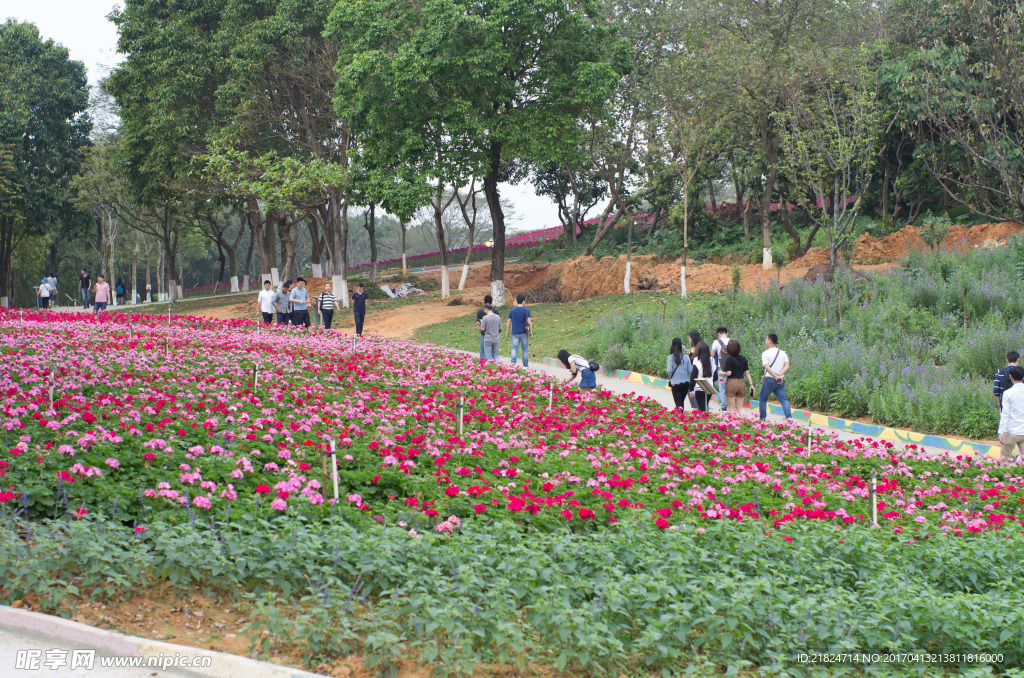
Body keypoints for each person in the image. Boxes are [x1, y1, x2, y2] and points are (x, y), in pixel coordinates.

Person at [758, 333, 792, 421]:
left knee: (762, 399)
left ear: (769, 341)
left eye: (766, 340)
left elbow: (767, 367)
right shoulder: (783, 353)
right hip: (780, 380)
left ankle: (762, 419)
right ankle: (789, 418)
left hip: (769, 379)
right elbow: (787, 366)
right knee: (783, 400)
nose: (766, 341)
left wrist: (774, 376)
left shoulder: (765, 353)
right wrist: (779, 375)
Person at [721, 339, 756, 414]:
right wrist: (751, 385)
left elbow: (729, 373)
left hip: (732, 383)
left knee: (731, 408)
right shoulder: (743, 359)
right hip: (741, 382)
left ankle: (733, 424)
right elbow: (747, 373)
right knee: (740, 407)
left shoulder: (729, 359)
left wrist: (722, 373)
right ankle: (745, 422)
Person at [998, 366, 1024, 461]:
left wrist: (1001, 432)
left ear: (1011, 377)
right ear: (1023, 377)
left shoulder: (1008, 393)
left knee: (1004, 461)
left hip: (1010, 432)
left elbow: (1005, 414)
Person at [505, 294, 532, 366]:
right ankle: (525, 363)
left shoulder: (512, 310)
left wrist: (507, 331)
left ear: (517, 301)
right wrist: (531, 332)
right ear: (523, 301)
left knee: (514, 347)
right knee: (525, 348)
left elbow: (509, 321)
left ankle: (513, 361)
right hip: (524, 332)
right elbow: (529, 322)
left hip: (515, 332)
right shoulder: (526, 310)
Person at [666, 337, 692, 410]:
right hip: (685, 383)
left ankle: (680, 418)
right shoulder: (686, 357)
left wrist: (672, 377)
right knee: (681, 402)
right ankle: (682, 417)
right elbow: (690, 370)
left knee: (678, 403)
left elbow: (669, 370)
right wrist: (686, 376)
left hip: (675, 383)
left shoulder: (670, 357)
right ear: (681, 346)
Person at [711, 327, 731, 412]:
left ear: (718, 334)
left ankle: (724, 406)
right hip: (731, 368)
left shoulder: (716, 342)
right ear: (727, 333)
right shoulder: (732, 341)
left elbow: (712, 355)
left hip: (721, 368)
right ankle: (732, 406)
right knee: (731, 387)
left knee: (722, 387)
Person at [689, 342, 713, 412]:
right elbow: (716, 376)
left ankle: (704, 422)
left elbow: (693, 377)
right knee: (705, 406)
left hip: (699, 387)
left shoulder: (698, 363)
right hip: (709, 388)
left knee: (701, 409)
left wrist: (691, 389)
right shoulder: (712, 361)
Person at [476, 294, 494, 359]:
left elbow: (477, 322)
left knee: (482, 349)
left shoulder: (480, 311)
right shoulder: (495, 311)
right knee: (492, 350)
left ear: (484, 301)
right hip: (493, 333)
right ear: (491, 302)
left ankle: (482, 362)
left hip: (483, 333)